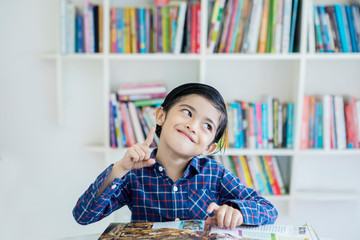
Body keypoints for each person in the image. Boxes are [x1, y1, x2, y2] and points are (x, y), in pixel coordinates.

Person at [73, 83, 278, 230]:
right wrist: (119, 168)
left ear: (208, 147)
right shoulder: (134, 174)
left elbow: (269, 210)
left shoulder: (216, 174)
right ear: (161, 116)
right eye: (187, 113)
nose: (193, 126)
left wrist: (238, 211)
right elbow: (83, 216)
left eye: (207, 126)